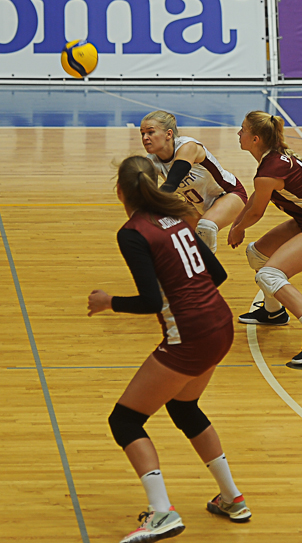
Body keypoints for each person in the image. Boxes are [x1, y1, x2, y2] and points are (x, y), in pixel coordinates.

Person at [88, 156, 250, 543]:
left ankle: (162, 513)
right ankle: (232, 498)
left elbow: (149, 301)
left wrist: (109, 302)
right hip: (220, 324)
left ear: (120, 192)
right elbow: (218, 274)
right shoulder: (176, 217)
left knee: (125, 421)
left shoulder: (133, 232)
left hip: (190, 335)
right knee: (184, 407)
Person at [226, 111, 302, 365]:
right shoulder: (273, 159)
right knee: (257, 254)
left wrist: (239, 228)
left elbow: (257, 212)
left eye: (243, 129)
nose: (239, 133)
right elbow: (256, 198)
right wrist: (237, 223)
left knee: (268, 275)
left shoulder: (269, 171)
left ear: (256, 139)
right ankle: (273, 312)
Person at [140, 110, 248, 254]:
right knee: (175, 241)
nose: (145, 138)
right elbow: (151, 196)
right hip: (197, 205)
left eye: (150, 132)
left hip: (229, 194)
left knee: (206, 227)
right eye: (142, 133)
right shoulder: (151, 161)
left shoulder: (187, 147)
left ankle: (207, 267)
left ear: (169, 134)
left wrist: (240, 226)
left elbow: (171, 184)